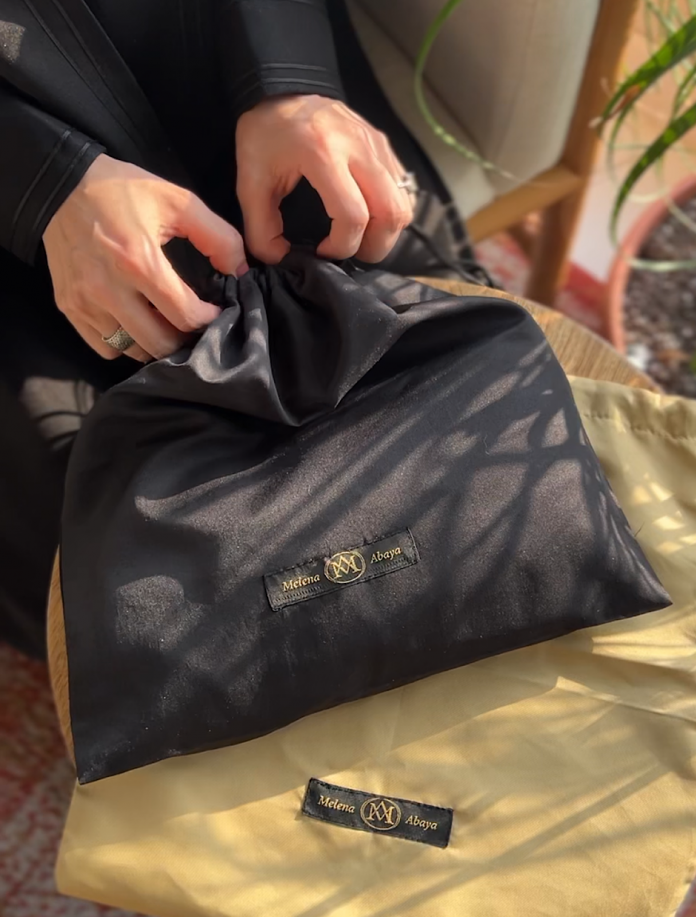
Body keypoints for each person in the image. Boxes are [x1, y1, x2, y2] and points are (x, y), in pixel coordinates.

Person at [0, 0, 479, 660]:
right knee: (103, 561)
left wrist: (286, 78)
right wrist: (40, 183)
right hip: (20, 245)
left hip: (223, 70)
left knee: (458, 412)